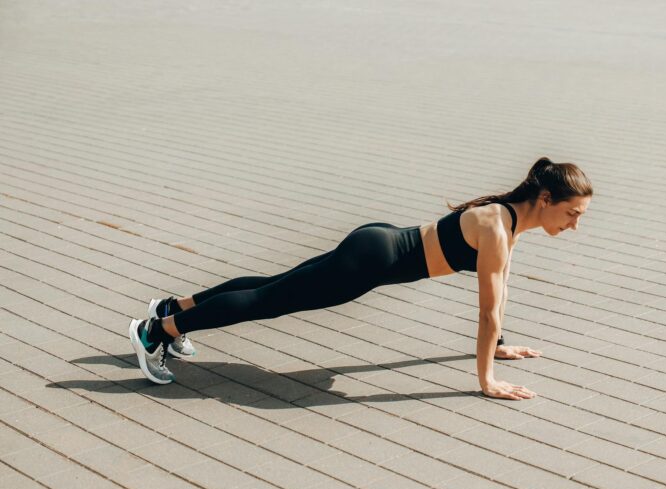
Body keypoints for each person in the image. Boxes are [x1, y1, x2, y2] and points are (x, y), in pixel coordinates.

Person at [128, 157, 592, 400]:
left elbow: (500, 294)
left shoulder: (508, 221)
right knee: (269, 300)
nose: (574, 226)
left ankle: (175, 307)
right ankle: (156, 332)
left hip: (376, 242)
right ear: (546, 198)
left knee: (274, 285)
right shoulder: (497, 227)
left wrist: (499, 345)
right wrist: (487, 379)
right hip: (369, 263)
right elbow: (488, 309)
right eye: (571, 214)